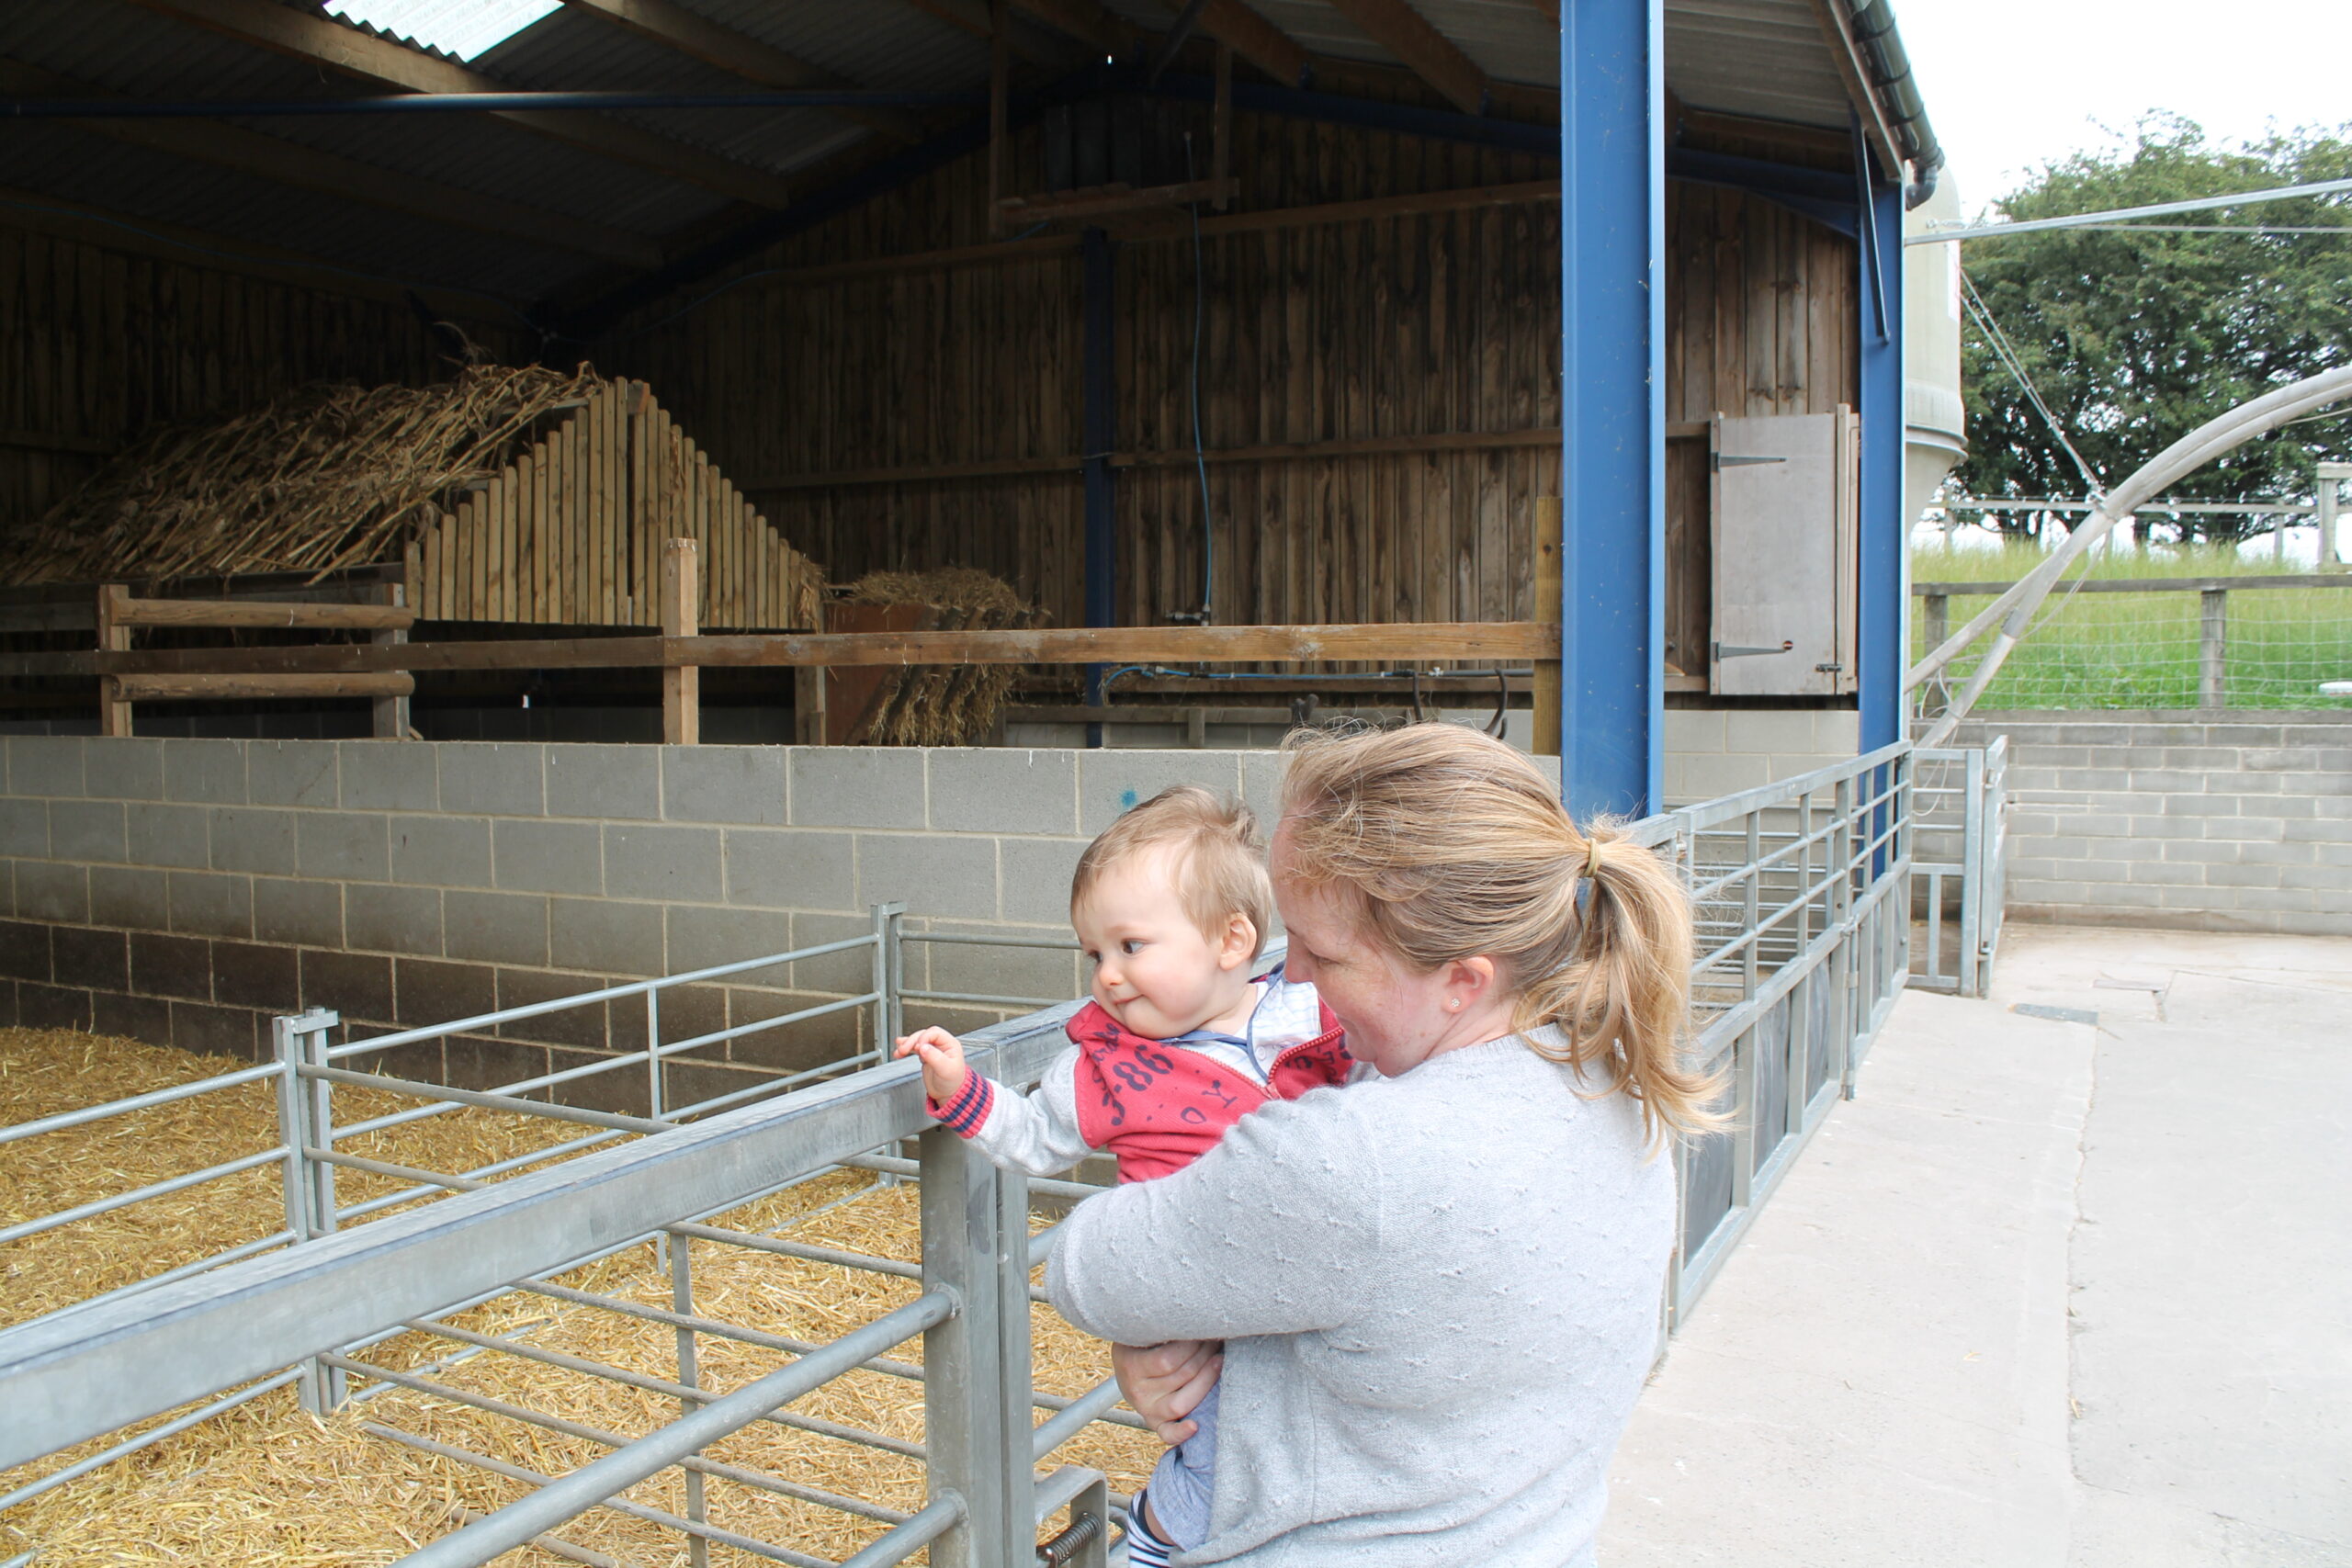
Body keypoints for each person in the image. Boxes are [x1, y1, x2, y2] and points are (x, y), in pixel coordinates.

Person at [1045, 723, 1715, 1567]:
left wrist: (1156, 1321)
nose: (1290, 981)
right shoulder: (1618, 1085)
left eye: (1322, 953)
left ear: (1461, 981)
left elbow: (1086, 1268)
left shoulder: (1353, 1157)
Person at [892, 784, 1355, 1566]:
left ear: (1231, 939)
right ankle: (1160, 1541)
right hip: (1195, 1311)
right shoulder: (1104, 1067)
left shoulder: (1314, 1017)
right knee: (1211, 1457)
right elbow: (1035, 1136)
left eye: (1131, 946)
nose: (1107, 975)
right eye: (1095, 953)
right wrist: (959, 1090)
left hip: (1307, 1296)